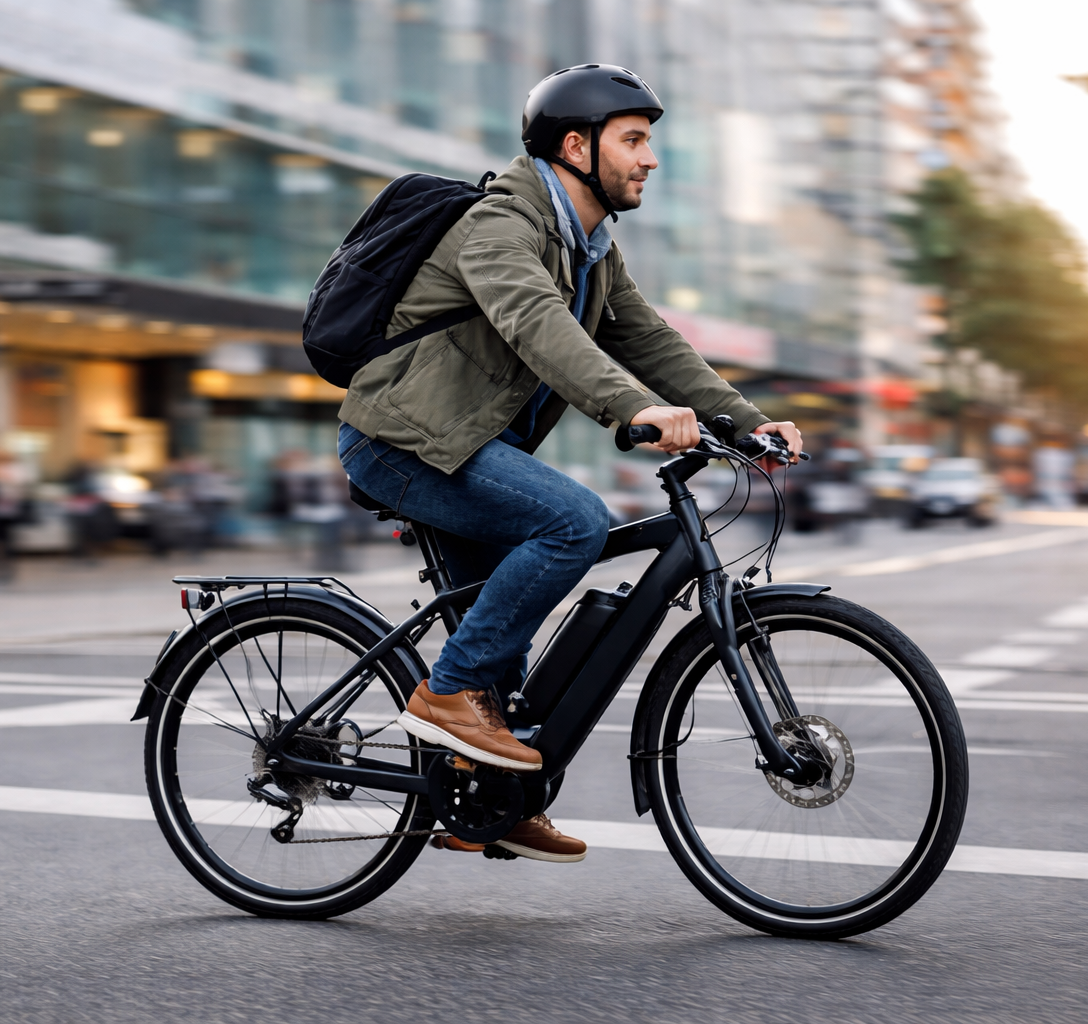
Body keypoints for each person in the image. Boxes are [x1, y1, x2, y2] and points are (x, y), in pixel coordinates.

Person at [337, 65, 802, 862]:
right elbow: (538, 327)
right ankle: (446, 698)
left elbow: (650, 340)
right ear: (576, 147)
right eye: (634, 141)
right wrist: (634, 410)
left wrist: (749, 422)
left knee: (508, 649)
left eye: (648, 142)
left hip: (469, 448)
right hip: (401, 443)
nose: (649, 159)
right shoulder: (498, 227)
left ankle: (483, 800)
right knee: (573, 522)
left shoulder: (591, 250)